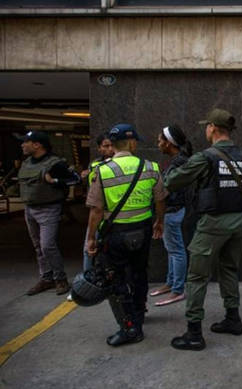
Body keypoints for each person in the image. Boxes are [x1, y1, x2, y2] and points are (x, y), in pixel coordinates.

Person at [166, 108, 242, 351]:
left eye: (206, 126)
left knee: (197, 276)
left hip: (212, 224)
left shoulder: (206, 157)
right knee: (229, 269)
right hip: (239, 222)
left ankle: (194, 333)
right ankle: (233, 319)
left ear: (212, 128)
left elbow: (172, 181)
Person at [85, 123, 166, 346]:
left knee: (117, 279)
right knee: (140, 273)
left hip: (115, 234)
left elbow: (96, 210)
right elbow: (160, 199)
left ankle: (130, 327)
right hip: (143, 230)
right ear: (132, 143)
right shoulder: (151, 167)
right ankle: (139, 313)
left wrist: (91, 237)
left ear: (113, 145)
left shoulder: (102, 170)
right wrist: (160, 222)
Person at [17, 131, 79, 296]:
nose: (22, 145)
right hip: (29, 209)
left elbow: (75, 179)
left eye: (26, 142)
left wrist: (55, 181)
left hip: (48, 209)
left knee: (47, 245)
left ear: (37, 145)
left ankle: (60, 279)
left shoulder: (55, 164)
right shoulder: (27, 163)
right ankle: (46, 278)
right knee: (38, 247)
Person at [149, 125, 193, 306]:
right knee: (172, 249)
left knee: (176, 250)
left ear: (169, 143)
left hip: (173, 210)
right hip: (172, 210)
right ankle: (170, 283)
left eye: (160, 141)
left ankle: (177, 289)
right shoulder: (176, 160)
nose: (158, 144)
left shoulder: (178, 162)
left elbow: (168, 189)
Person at [80, 132, 114, 271]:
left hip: (115, 213)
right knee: (89, 249)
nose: (110, 149)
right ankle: (87, 280)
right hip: (98, 212)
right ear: (99, 148)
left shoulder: (121, 163)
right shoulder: (94, 165)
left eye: (112, 145)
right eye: (106, 146)